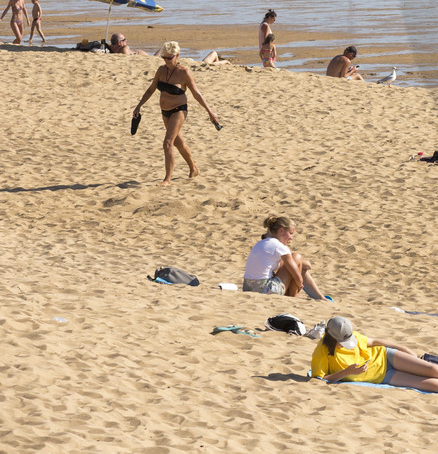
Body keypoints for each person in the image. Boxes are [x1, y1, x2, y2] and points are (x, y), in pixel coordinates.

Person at [312, 316, 438, 394]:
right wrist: (348, 372)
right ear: (330, 335)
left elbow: (373, 342)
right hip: (382, 376)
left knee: (433, 369)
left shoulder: (349, 333)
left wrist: (402, 348)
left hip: (385, 356)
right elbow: (320, 379)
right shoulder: (322, 351)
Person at [132, 42, 221, 182]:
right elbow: (151, 90)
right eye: (164, 58)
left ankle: (167, 179)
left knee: (167, 143)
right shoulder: (161, 70)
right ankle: (193, 168)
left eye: (169, 58)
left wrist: (210, 112)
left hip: (179, 110)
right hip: (165, 111)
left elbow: (196, 94)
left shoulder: (183, 72)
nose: (166, 61)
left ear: (177, 56)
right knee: (178, 143)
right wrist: (138, 106)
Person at [242, 216, 328, 300]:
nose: (291, 238)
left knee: (291, 262)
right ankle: (295, 297)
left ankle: (320, 297)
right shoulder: (278, 246)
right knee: (296, 258)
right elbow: (298, 275)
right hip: (264, 290)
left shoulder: (262, 243)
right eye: (290, 233)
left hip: (247, 288)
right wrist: (299, 285)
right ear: (281, 231)